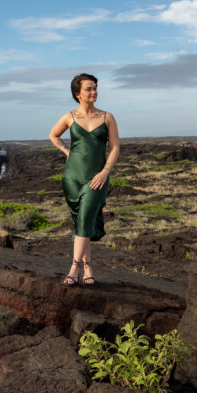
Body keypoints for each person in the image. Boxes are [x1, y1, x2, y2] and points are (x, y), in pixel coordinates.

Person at [48, 73, 120, 285]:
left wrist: (105, 172)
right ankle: (88, 268)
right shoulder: (69, 117)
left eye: (95, 88)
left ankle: (73, 268)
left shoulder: (107, 117)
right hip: (72, 176)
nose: (94, 92)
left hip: (97, 176)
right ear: (77, 94)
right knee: (82, 222)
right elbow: (53, 135)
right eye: (89, 88)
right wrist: (66, 151)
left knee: (85, 217)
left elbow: (115, 148)